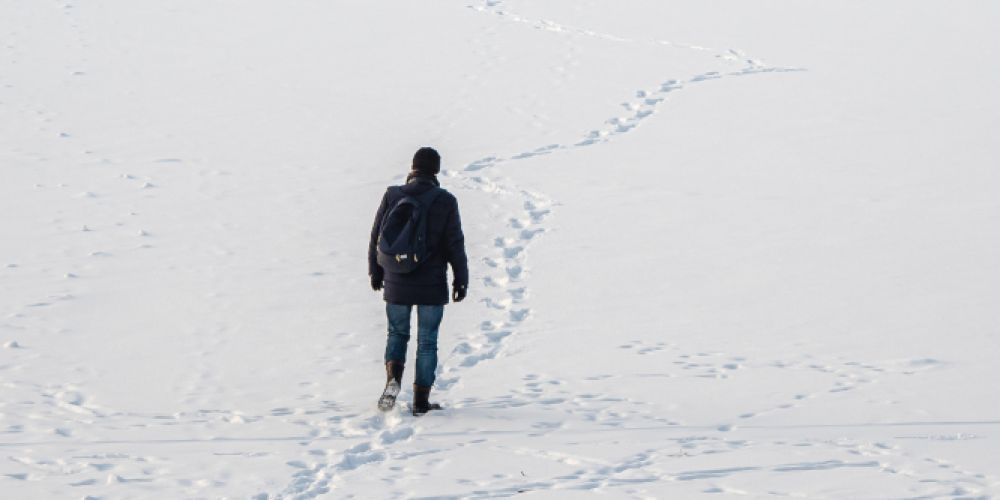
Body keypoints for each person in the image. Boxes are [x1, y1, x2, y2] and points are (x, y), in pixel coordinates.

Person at [368, 147, 468, 415]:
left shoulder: (392, 195)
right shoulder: (446, 201)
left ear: (412, 167)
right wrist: (461, 279)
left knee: (397, 333)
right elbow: (455, 244)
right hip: (431, 285)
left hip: (396, 279)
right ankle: (421, 400)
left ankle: (393, 380)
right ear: (436, 170)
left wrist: (375, 271)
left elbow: (376, 236)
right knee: (427, 342)